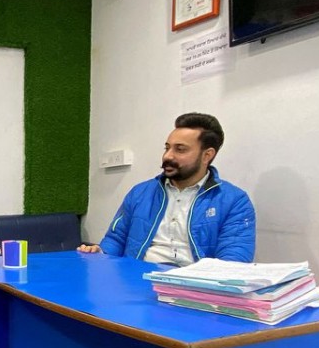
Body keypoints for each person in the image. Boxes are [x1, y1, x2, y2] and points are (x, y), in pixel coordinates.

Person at [78, 112, 255, 265]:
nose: (168, 156)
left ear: (207, 155)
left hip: (195, 289)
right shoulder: (140, 193)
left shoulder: (234, 201)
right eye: (167, 147)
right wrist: (100, 253)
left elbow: (233, 260)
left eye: (180, 149)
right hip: (137, 280)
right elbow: (115, 240)